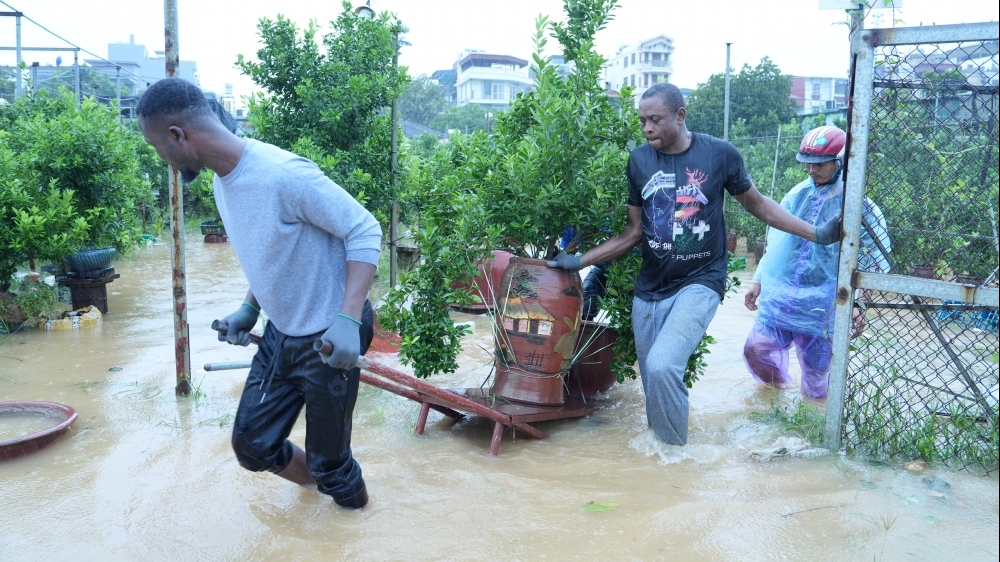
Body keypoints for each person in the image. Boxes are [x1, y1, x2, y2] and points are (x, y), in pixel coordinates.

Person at [547, 83, 841, 446]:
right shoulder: (639, 161)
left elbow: (759, 205)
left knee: (662, 364)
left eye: (655, 119)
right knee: (651, 378)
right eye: (642, 121)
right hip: (650, 288)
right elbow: (632, 232)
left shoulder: (720, 155)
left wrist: (818, 234)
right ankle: (660, 456)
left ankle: (674, 457)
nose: (647, 128)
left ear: (680, 115)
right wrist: (578, 260)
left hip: (701, 280)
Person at [135, 78, 381, 509]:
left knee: (332, 462)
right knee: (253, 445)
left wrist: (346, 320)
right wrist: (249, 307)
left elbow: (364, 229)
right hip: (281, 332)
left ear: (178, 135)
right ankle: (323, 496)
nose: (164, 160)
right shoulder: (222, 181)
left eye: (159, 148)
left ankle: (352, 527)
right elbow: (272, 252)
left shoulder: (282, 174)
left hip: (329, 332)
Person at [743, 126, 890, 399]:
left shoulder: (859, 205)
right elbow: (776, 244)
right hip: (783, 295)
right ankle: (774, 397)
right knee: (756, 350)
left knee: (817, 378)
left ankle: (809, 427)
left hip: (824, 303)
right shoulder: (796, 195)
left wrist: (859, 303)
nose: (812, 170)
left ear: (841, 161)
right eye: (807, 164)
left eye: (820, 164)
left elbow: (874, 261)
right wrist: (758, 281)